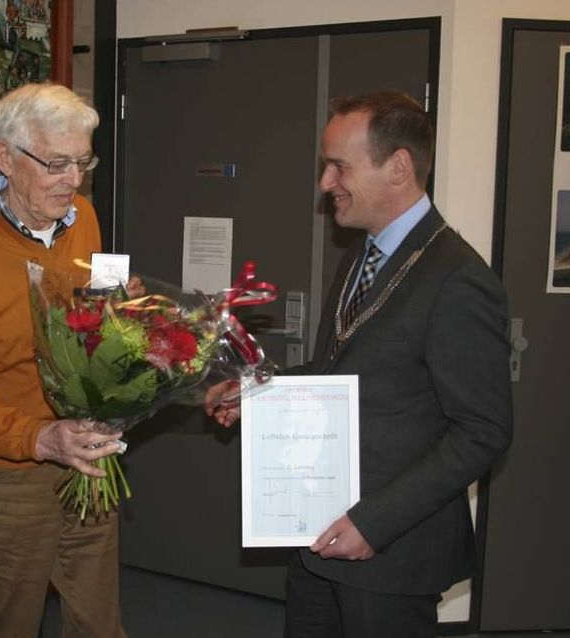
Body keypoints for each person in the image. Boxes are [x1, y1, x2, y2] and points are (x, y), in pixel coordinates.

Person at [207, 91, 513, 638]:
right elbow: (340, 374)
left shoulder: (459, 278)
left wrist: (374, 524)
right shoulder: (361, 255)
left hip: (391, 552)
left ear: (398, 167)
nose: (326, 183)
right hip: (319, 537)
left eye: (339, 166)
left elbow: (484, 430)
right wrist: (255, 388)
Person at [0, 83, 127, 638]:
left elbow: (98, 320)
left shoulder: (84, 217)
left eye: (83, 161)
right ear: (4, 157)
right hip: (1, 481)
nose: (74, 179)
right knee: (4, 626)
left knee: (98, 623)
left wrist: (131, 337)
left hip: (87, 461)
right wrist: (40, 437)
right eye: (56, 163)